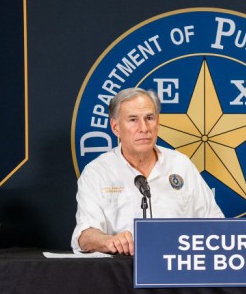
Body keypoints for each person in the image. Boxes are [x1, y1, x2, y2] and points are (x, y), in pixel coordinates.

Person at [73, 87, 221, 254]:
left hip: (178, 267)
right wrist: (109, 241)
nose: (144, 128)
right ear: (115, 127)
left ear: (157, 123)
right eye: (133, 120)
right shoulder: (97, 172)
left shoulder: (181, 165)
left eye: (149, 118)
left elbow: (215, 224)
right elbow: (85, 236)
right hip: (122, 270)